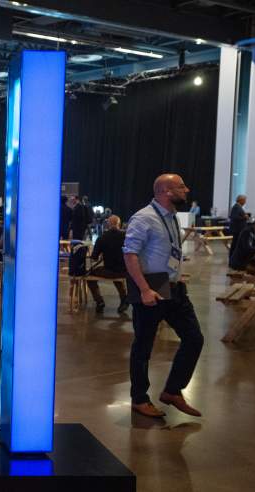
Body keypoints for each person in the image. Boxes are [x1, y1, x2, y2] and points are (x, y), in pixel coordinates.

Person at [123, 173, 204, 418]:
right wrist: (144, 289)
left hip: (174, 287)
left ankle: (172, 390)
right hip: (152, 286)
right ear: (166, 191)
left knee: (194, 338)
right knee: (143, 346)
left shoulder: (171, 217)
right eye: (181, 186)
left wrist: (177, 274)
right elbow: (130, 254)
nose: (186, 190)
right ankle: (139, 399)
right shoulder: (144, 218)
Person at [87, 215, 128, 314]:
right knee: (117, 276)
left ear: (108, 224)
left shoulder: (102, 237)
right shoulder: (127, 236)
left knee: (89, 276)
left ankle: (99, 301)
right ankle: (124, 300)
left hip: (109, 270)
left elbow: (94, 257)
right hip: (125, 271)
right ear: (119, 224)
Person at [229, 195, 248, 261]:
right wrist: (244, 217)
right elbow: (234, 217)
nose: (245, 202)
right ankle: (232, 258)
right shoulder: (236, 207)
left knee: (237, 244)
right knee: (235, 244)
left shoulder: (238, 207)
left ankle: (235, 258)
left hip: (239, 229)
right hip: (237, 229)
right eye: (244, 200)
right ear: (240, 200)